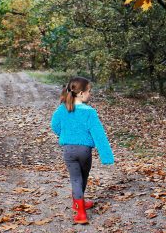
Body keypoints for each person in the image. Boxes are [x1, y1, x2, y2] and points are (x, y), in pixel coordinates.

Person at [50, 76, 114, 225]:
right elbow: (98, 134)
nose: (89, 94)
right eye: (88, 91)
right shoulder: (89, 112)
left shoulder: (62, 109)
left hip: (68, 151)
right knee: (83, 178)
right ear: (80, 94)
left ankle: (79, 209)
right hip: (84, 151)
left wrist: (64, 134)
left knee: (75, 179)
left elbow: (54, 126)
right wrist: (106, 156)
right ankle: (80, 207)